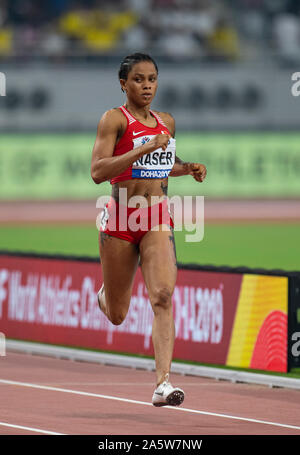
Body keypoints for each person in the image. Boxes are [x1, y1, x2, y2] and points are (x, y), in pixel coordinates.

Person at [91, 52, 207, 407]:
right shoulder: (114, 119)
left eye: (152, 79)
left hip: (156, 215)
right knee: (117, 314)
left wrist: (186, 168)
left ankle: (163, 383)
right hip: (123, 217)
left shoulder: (166, 122)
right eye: (139, 79)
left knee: (163, 296)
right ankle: (105, 294)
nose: (146, 86)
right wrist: (141, 149)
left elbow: (161, 165)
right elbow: (98, 172)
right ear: (123, 83)